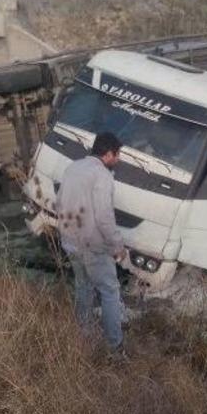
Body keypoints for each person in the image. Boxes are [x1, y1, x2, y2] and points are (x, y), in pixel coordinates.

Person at [56, 132, 128, 353]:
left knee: (83, 286)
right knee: (109, 291)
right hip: (92, 245)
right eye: (117, 155)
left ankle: (84, 337)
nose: (118, 159)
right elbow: (104, 217)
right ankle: (115, 347)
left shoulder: (73, 167)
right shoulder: (102, 176)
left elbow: (59, 202)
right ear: (108, 154)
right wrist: (118, 246)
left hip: (69, 241)